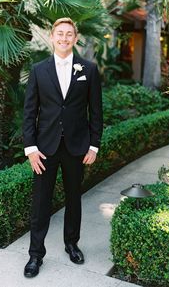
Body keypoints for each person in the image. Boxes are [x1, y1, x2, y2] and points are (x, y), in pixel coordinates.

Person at [23, 17, 103, 278]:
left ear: (76, 38)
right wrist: (31, 148)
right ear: (52, 36)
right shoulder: (38, 70)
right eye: (60, 33)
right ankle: (36, 255)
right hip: (45, 148)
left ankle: (72, 243)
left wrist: (94, 146)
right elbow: (29, 113)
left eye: (69, 34)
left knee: (73, 199)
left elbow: (96, 112)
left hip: (76, 147)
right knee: (40, 203)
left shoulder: (88, 70)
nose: (64, 38)